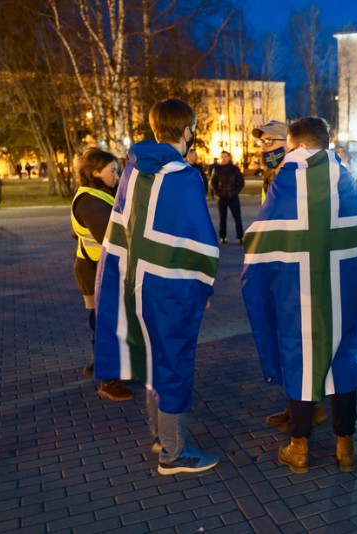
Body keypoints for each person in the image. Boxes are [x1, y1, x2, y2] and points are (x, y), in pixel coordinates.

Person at [241, 117, 357, 474]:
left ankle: (299, 448)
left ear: (297, 145)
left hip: (297, 295)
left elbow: (261, 240)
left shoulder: (286, 181)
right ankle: (345, 448)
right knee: (343, 362)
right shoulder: (345, 178)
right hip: (340, 293)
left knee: (299, 362)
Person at [95, 98, 220, 475]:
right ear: (186, 132)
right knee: (174, 361)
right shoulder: (183, 176)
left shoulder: (134, 170)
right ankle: (174, 452)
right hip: (168, 286)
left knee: (151, 359)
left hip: (133, 281)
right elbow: (199, 240)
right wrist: (202, 287)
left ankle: (160, 436)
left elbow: (120, 228)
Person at [251, 119, 328, 430]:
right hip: (280, 271)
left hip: (303, 274)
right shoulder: (274, 176)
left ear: (291, 144)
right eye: (261, 143)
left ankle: (312, 408)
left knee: (304, 342)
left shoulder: (303, 176)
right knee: (285, 342)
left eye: (270, 142)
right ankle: (294, 403)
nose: (264, 148)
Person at [70, 148, 135, 402]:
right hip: (96, 270)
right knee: (106, 323)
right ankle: (109, 380)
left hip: (97, 267)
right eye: (112, 171)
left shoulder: (98, 194)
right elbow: (111, 240)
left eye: (117, 170)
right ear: (95, 172)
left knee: (103, 321)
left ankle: (100, 365)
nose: (116, 175)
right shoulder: (91, 202)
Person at [210, 150, 245, 244]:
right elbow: (213, 182)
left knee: (237, 218)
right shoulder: (217, 169)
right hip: (222, 199)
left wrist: (235, 192)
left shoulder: (235, 169)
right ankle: (223, 237)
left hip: (233, 198)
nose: (224, 158)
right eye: (222, 157)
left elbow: (241, 183)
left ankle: (240, 237)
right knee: (222, 218)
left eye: (225, 156)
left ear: (229, 157)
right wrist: (218, 192)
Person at [252, 120, 288, 204]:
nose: (263, 147)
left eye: (269, 141)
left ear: (289, 143)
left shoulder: (301, 174)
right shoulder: (268, 174)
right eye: (261, 141)